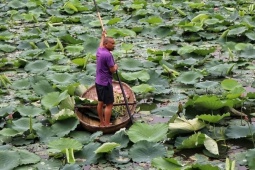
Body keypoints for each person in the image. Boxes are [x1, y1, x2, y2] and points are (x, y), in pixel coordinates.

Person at [95, 30, 118, 126]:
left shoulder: (100, 51)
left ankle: (102, 122)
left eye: (114, 43)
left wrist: (102, 35)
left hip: (98, 82)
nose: (114, 45)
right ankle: (107, 124)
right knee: (109, 104)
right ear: (106, 44)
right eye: (112, 44)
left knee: (100, 102)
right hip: (105, 83)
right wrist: (116, 66)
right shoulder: (108, 55)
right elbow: (112, 70)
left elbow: (101, 44)